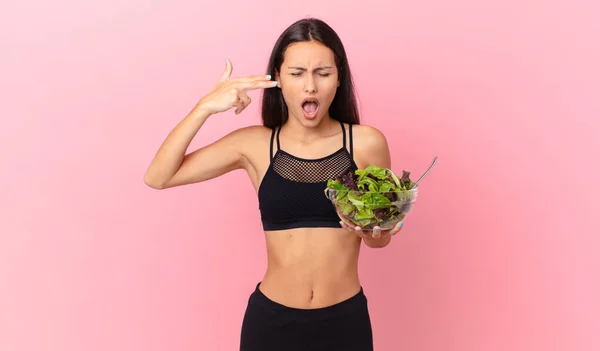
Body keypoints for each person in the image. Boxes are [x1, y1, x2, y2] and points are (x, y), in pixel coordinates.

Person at [144, 17, 404, 351]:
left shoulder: (367, 143)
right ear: (278, 78)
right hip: (272, 325)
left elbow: (378, 238)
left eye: (322, 73)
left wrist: (375, 234)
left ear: (339, 78)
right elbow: (158, 176)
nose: (310, 86)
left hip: (345, 322)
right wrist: (204, 107)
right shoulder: (254, 145)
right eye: (297, 73)